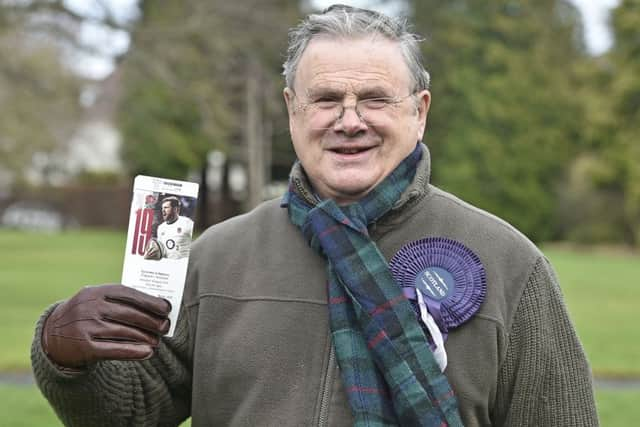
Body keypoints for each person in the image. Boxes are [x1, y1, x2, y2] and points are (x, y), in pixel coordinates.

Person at [31, 5, 598, 426]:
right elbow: (130, 410)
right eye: (327, 99)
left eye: (375, 99)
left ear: (419, 113)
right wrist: (63, 355)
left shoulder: (511, 265)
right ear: (292, 109)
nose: (349, 121)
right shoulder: (214, 257)